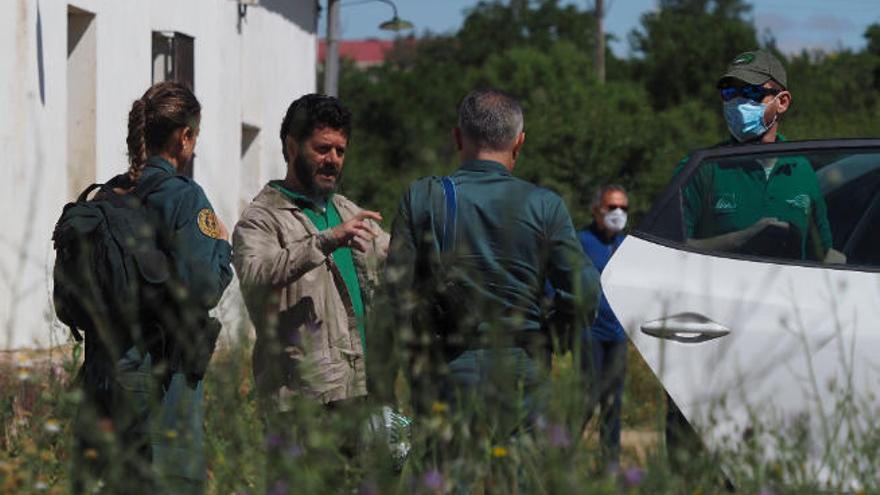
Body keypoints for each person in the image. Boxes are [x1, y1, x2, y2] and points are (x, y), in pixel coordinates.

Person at [372, 89, 600, 465]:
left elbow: (393, 298)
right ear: (519, 142)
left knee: (444, 479)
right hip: (523, 368)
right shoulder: (546, 206)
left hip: (445, 368)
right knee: (521, 479)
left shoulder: (423, 198)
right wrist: (554, 331)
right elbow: (585, 291)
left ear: (458, 137)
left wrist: (382, 392)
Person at [668, 49, 842, 475]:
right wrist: (741, 238)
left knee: (773, 469)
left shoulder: (804, 169)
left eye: (748, 92)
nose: (734, 102)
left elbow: (828, 255)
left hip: (784, 349)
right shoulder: (701, 169)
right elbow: (665, 254)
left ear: (781, 102)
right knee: (700, 472)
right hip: (709, 344)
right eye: (729, 92)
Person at [70, 81, 233, 493]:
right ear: (185, 136)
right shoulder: (183, 196)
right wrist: (223, 250)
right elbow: (202, 290)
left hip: (99, 374)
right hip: (156, 378)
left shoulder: (105, 195)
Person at [232, 94, 389, 488]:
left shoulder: (346, 209)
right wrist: (323, 242)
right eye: (322, 148)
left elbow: (393, 256)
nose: (333, 159)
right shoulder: (262, 218)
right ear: (291, 146)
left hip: (362, 390)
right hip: (303, 400)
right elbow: (254, 273)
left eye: (340, 150)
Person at [578, 184, 630, 472]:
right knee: (586, 399)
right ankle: (565, 458)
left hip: (618, 335)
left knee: (613, 402)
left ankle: (609, 467)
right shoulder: (581, 241)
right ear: (597, 209)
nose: (618, 213)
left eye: (624, 208)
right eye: (612, 207)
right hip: (590, 334)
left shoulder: (626, 245)